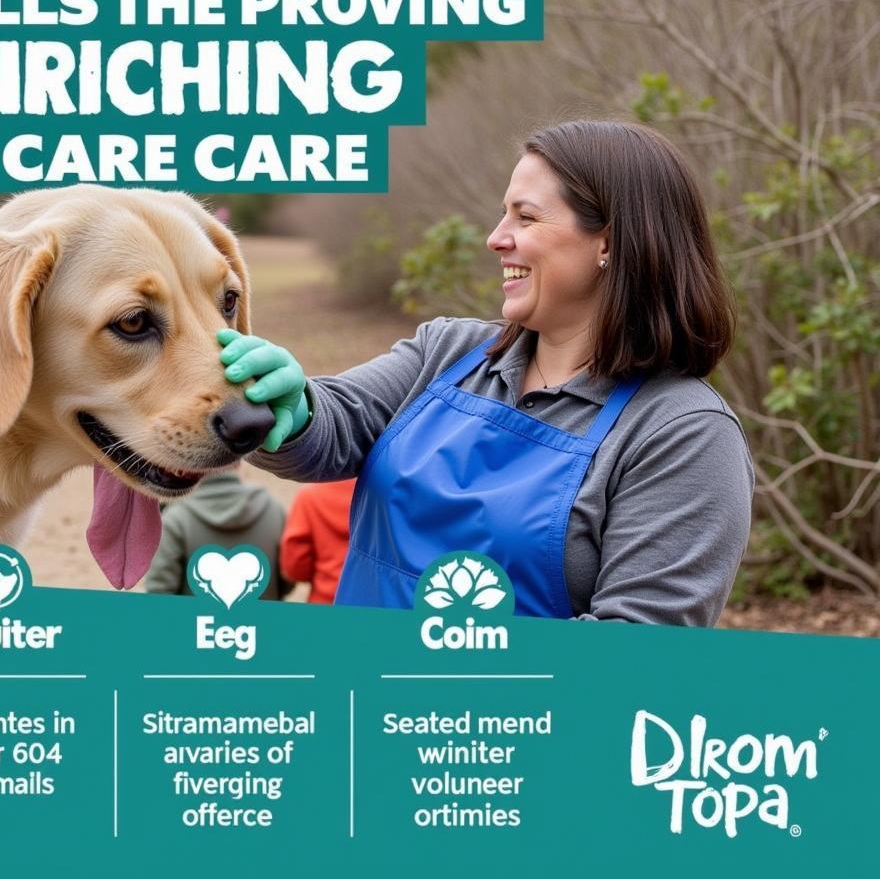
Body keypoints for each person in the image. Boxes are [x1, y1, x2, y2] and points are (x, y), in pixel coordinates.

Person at [217, 120, 755, 626]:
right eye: (504, 215)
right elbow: (331, 430)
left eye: (526, 217)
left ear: (610, 242)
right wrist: (294, 408)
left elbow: (631, 660)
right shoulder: (449, 350)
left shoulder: (683, 434)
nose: (496, 238)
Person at [145, 470, 288, 598]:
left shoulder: (175, 519)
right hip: (262, 625)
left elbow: (159, 591)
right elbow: (289, 576)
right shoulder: (275, 510)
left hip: (194, 626)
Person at [280, 479, 357, 604]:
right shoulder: (385, 494)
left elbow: (294, 567)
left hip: (324, 605)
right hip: (376, 606)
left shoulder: (310, 495)